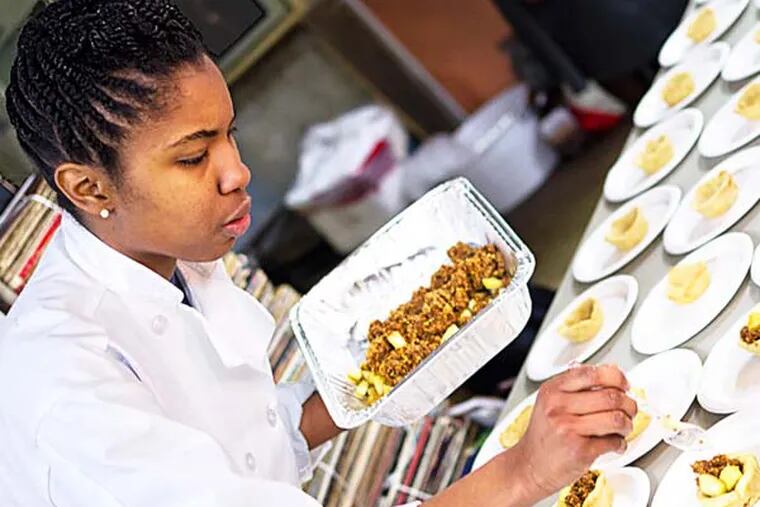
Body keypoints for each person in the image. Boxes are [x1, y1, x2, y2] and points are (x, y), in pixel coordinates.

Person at [0, 1, 637, 506]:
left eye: (229, 134)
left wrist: (395, 353)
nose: (237, 172)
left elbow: (250, 446)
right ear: (89, 187)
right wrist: (524, 472)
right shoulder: (66, 394)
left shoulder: (165, 256)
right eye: (193, 157)